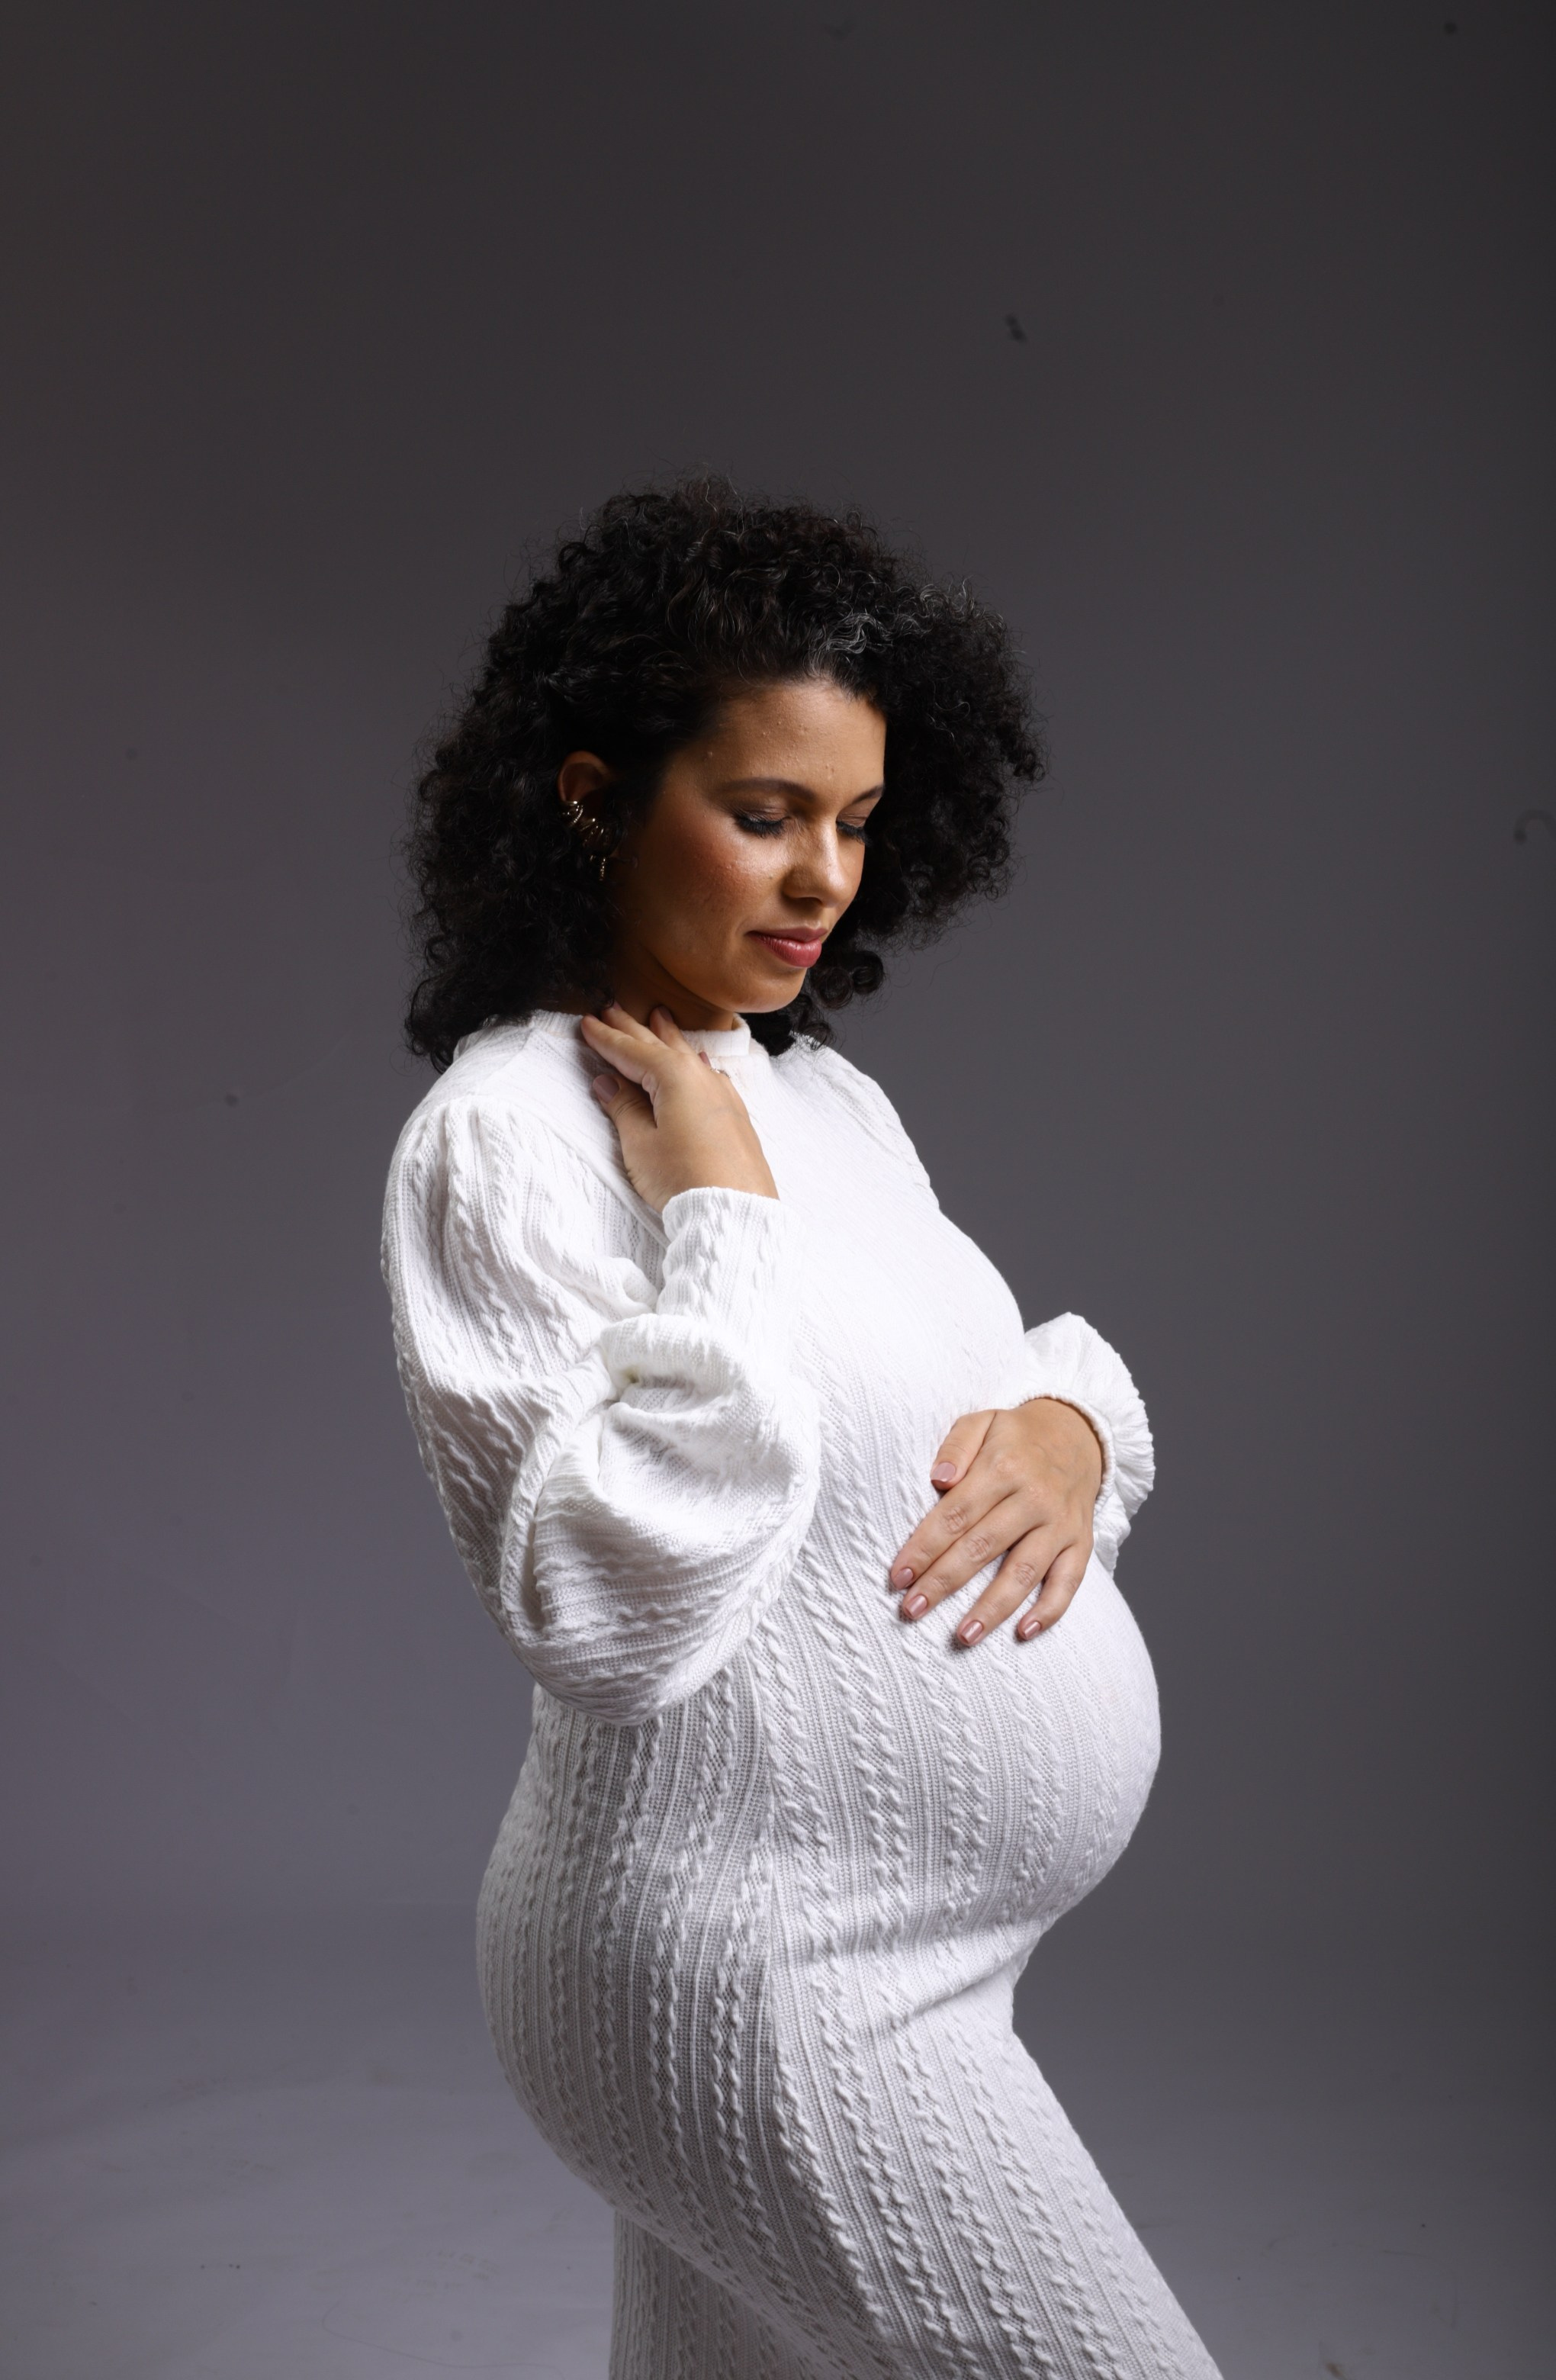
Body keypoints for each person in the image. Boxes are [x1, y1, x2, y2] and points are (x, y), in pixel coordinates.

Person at [383, 481, 1222, 2378]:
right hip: (757, 1976)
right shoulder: (508, 1136)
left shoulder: (820, 1099)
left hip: (913, 1958)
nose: (822, 880)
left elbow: (988, 1389)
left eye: (850, 823)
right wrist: (719, 1222)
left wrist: (1075, 1433)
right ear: (595, 795)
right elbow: (609, 1614)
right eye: (762, 817)